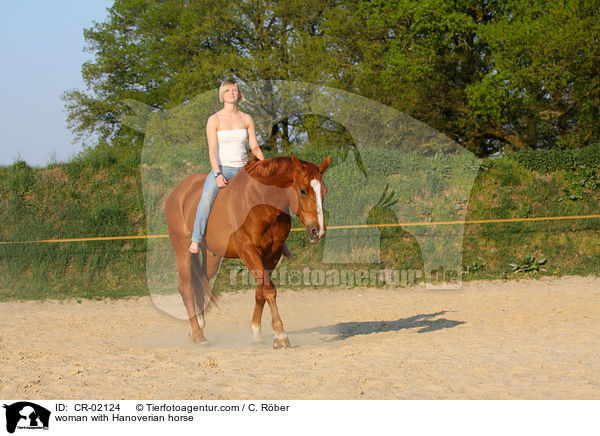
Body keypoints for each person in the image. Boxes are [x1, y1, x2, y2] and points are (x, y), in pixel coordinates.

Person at [189, 79, 291, 257]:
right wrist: (218, 173)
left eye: (235, 90)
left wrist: (266, 168)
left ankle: (281, 241)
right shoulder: (214, 120)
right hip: (224, 168)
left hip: (246, 169)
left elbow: (255, 147)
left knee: (273, 192)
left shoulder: (246, 118)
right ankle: (196, 239)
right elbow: (212, 151)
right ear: (222, 95)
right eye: (228, 91)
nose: (232, 93)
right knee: (206, 196)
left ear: (239, 93)